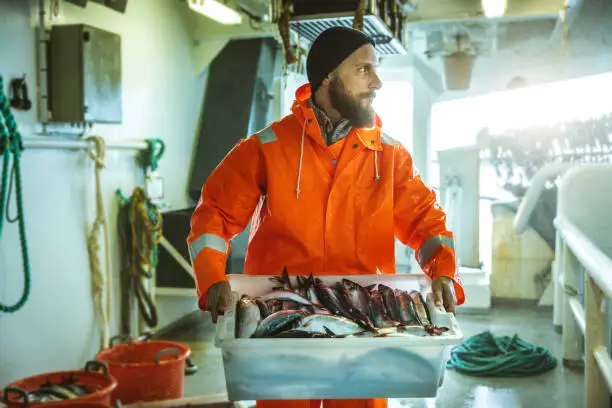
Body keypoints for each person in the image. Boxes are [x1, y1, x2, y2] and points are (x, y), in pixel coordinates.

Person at [187, 26, 465, 408]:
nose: (377, 81)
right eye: (363, 69)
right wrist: (212, 277)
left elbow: (426, 222)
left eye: (375, 69)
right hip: (282, 322)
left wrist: (444, 271)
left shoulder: (389, 155)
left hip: (364, 324)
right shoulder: (267, 148)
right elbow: (214, 214)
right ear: (328, 77)